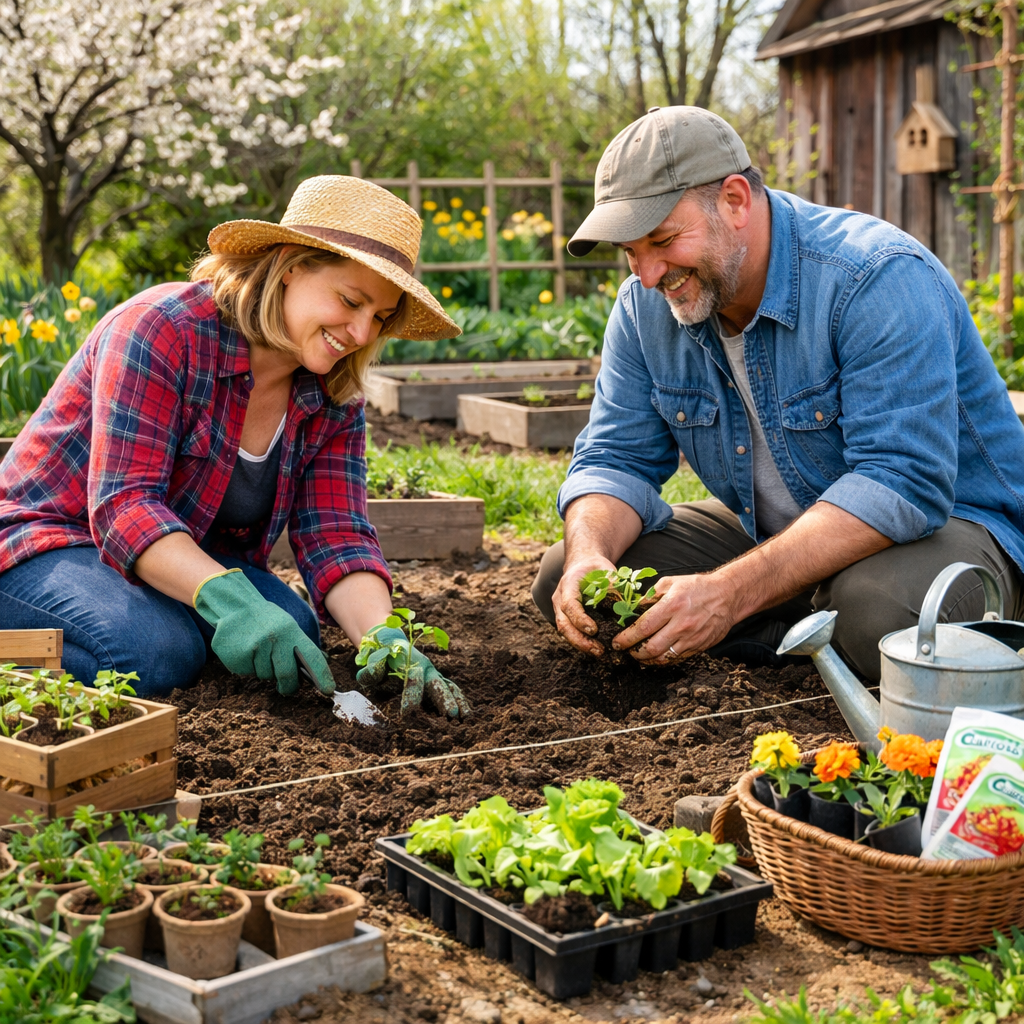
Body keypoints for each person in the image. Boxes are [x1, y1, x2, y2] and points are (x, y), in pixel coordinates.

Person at [532, 106, 1024, 680]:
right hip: (781, 531)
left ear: (736, 201)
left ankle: (781, 625)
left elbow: (902, 481)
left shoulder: (874, 276)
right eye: (630, 252)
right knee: (572, 579)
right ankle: (799, 629)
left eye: (662, 239)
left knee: (879, 620)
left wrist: (729, 594)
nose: (646, 274)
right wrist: (591, 551)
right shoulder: (644, 309)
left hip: (952, 525)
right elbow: (616, 458)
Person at [0, 175, 469, 716]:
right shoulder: (162, 330)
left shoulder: (335, 394)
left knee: (293, 635)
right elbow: (124, 506)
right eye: (351, 300)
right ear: (291, 265)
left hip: (181, 552)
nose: (362, 333)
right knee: (147, 653)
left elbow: (336, 533)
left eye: (380, 317)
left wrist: (386, 637)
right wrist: (227, 600)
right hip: (48, 539)